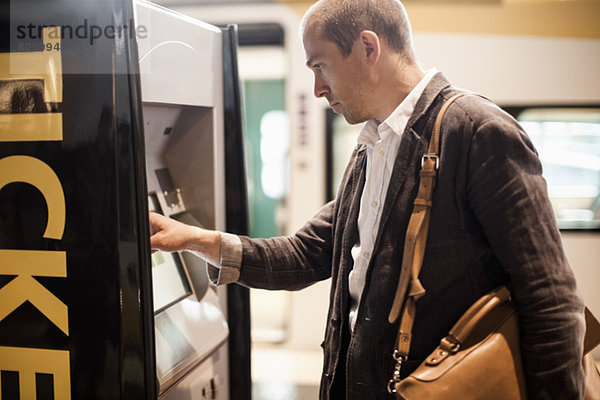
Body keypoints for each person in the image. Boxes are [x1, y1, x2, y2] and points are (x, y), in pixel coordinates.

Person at [149, 0, 586, 398]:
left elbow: (550, 299)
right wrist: (193, 238)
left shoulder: (476, 132)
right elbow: (307, 254)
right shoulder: (372, 147)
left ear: (367, 48)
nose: (318, 88)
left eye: (320, 66)